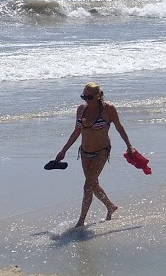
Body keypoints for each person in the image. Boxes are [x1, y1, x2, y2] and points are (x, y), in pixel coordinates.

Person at [52, 82, 138, 227]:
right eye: (83, 96)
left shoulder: (108, 110)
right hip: (85, 153)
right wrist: (63, 151)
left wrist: (129, 146)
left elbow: (119, 127)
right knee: (93, 184)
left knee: (88, 185)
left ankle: (81, 221)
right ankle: (110, 206)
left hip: (102, 152)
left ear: (99, 96)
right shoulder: (81, 109)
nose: (86, 100)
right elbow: (76, 132)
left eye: (90, 97)